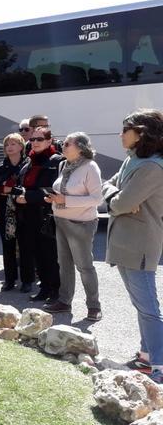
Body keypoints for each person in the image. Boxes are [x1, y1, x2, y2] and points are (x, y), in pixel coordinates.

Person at [101, 109, 163, 383]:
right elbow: (109, 187)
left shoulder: (152, 167)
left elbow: (122, 204)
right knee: (142, 306)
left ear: (140, 134)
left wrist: (119, 200)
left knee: (149, 309)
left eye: (125, 130)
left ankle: (159, 366)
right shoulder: (133, 159)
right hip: (124, 243)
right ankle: (146, 357)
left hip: (140, 244)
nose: (120, 135)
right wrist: (117, 197)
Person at [42, 132, 103, 320]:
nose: (63, 145)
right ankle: (64, 301)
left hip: (81, 224)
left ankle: (94, 306)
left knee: (84, 266)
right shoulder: (64, 165)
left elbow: (97, 199)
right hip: (60, 220)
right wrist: (53, 199)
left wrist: (65, 200)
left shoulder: (90, 166)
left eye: (68, 143)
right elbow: (62, 192)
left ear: (81, 148)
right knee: (64, 264)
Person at [15, 126, 64, 303]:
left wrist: (27, 197)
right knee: (37, 254)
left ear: (49, 141)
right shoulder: (29, 162)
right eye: (32, 139)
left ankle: (56, 291)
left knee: (51, 255)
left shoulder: (57, 161)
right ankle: (44, 288)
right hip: (28, 216)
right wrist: (17, 194)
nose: (35, 142)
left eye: (40, 139)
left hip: (47, 215)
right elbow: (23, 185)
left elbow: (54, 191)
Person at [0, 133, 29, 292]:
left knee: (25, 245)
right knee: (7, 245)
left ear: (21, 146)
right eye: (7, 144)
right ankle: (10, 280)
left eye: (13, 144)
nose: (9, 147)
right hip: (5, 211)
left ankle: (27, 280)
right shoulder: (0, 168)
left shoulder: (28, 166)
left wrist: (12, 190)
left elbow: (30, 188)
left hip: (24, 210)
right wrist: (0, 190)